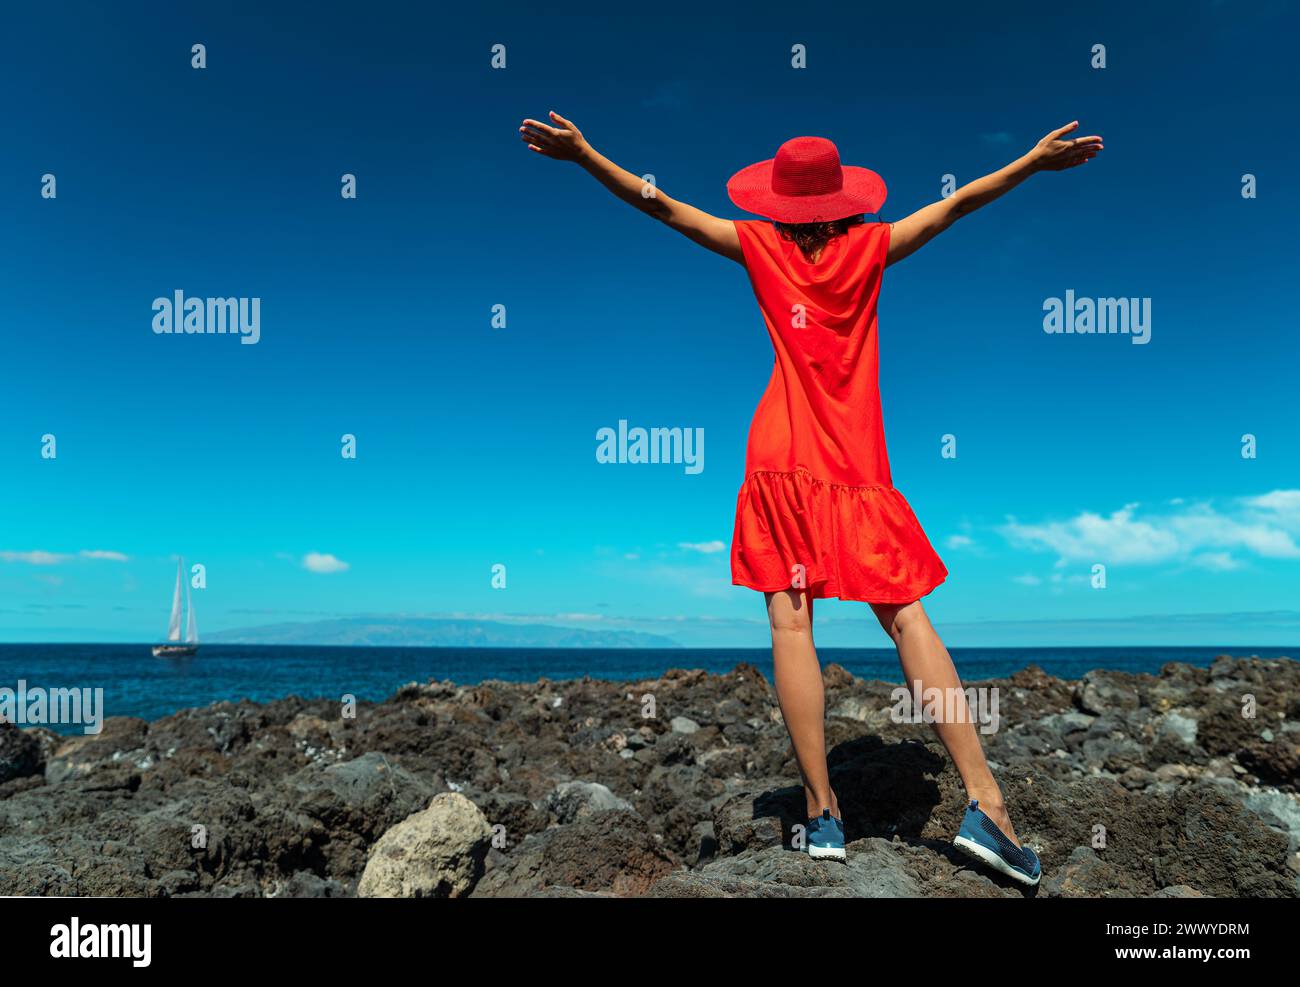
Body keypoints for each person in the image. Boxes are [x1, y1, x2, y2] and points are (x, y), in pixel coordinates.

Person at [520, 111, 1102, 886]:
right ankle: (986, 806)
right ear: (842, 197)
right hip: (855, 463)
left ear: (777, 201)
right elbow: (958, 204)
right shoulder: (872, 247)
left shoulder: (757, 246)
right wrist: (1029, 161)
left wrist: (586, 153)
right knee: (907, 617)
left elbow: (660, 205)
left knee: (790, 620)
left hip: (777, 456)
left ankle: (823, 816)